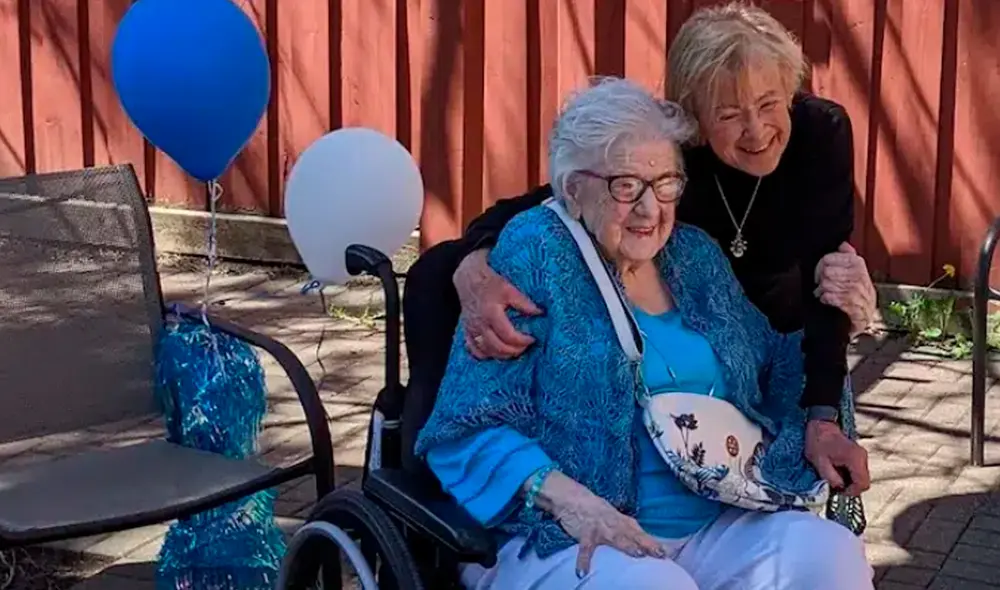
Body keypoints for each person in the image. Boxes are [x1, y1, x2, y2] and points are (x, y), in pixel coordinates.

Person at [415, 77, 873, 589]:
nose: (651, 210)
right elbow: (468, 427)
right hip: (563, 534)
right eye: (626, 186)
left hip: (710, 518)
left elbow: (773, 361)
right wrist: (575, 502)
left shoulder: (693, 255)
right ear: (573, 189)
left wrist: (836, 344)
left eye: (666, 184)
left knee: (826, 553)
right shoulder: (533, 254)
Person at [403, 1, 875, 498]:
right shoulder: (671, 161)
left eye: (769, 103)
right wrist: (473, 264)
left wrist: (822, 412)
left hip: (779, 343)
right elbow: (560, 196)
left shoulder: (819, 135)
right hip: (693, 335)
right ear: (695, 119)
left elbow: (832, 282)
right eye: (729, 114)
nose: (756, 131)